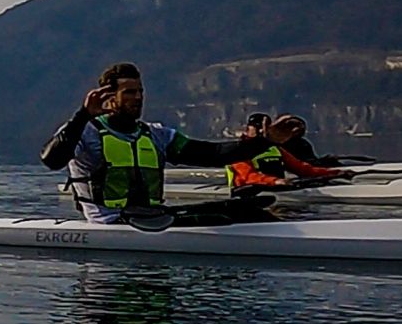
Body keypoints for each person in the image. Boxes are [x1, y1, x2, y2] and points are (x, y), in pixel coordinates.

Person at [40, 63, 267, 224]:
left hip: (153, 218)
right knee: (222, 219)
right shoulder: (85, 131)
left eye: (140, 91)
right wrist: (83, 115)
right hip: (111, 222)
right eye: (129, 92)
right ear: (109, 96)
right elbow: (52, 160)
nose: (138, 98)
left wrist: (266, 141)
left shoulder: (156, 134)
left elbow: (213, 154)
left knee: (247, 209)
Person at [225, 116, 354, 193]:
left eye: (263, 127)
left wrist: (335, 173)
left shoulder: (276, 149)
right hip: (247, 190)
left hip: (278, 187)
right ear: (248, 130)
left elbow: (303, 169)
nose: (261, 130)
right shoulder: (238, 151)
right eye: (256, 127)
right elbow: (248, 177)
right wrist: (275, 181)